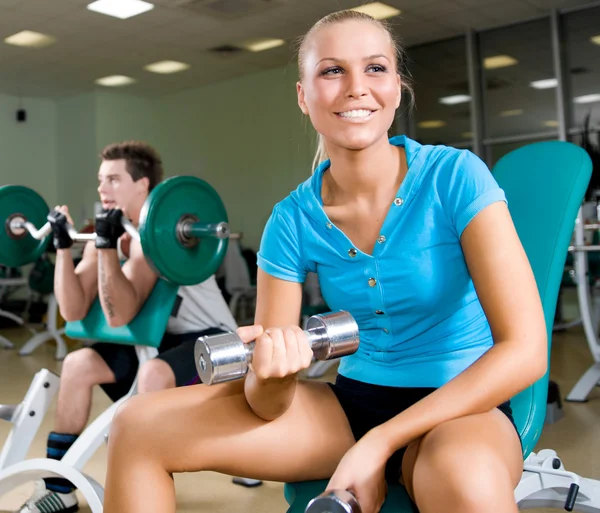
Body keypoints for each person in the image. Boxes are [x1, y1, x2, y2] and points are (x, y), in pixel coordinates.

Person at [101, 10, 547, 513]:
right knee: (135, 425)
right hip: (349, 405)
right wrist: (275, 372)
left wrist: (378, 443)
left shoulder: (455, 177)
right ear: (303, 96)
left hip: (462, 407)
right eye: (332, 71)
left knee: (461, 479)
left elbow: (526, 349)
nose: (357, 88)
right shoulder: (292, 219)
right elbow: (266, 403)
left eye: (375, 68)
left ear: (396, 88)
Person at [20, 141, 242, 513]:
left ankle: (142, 488)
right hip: (157, 343)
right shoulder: (106, 234)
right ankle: (59, 491)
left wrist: (107, 248)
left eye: (113, 179)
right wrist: (61, 248)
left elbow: (119, 314)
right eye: (100, 181)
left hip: (221, 349)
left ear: (144, 186)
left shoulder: (162, 235)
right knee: (77, 365)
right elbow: (73, 309)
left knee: (154, 374)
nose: (102, 189)